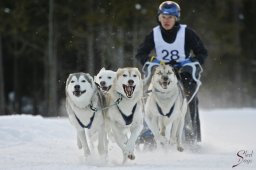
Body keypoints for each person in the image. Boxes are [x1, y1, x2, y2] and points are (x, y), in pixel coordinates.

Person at [135, 1, 208, 143]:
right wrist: (152, 60)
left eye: (170, 17)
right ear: (159, 17)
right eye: (163, 17)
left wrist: (191, 61)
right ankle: (147, 130)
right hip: (161, 72)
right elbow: (140, 53)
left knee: (190, 98)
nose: (166, 21)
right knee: (146, 94)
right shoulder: (154, 34)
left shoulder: (187, 33)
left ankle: (191, 134)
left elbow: (202, 53)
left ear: (176, 18)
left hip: (182, 72)